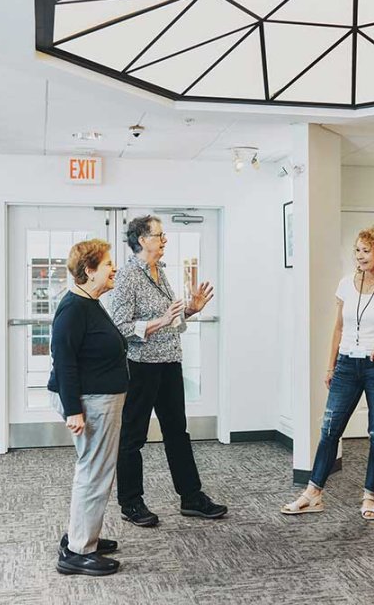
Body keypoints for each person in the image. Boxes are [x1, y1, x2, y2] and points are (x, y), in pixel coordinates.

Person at [281, 225, 374, 520]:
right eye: (357, 250)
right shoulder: (345, 283)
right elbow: (339, 327)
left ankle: (369, 496)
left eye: (367, 250)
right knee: (329, 430)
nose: (360, 256)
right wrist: (331, 365)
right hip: (346, 365)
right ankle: (312, 494)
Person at [111, 215, 226, 527]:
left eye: (163, 235)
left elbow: (172, 319)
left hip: (170, 363)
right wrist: (160, 322)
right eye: (159, 235)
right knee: (133, 437)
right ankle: (131, 502)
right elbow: (119, 327)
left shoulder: (160, 272)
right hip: (141, 367)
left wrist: (190, 309)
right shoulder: (127, 276)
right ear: (141, 239)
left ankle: (192, 497)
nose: (164, 240)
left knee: (177, 432)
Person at [47, 239, 129, 576]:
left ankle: (83, 536)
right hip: (89, 402)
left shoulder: (90, 302)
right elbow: (63, 361)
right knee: (94, 471)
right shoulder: (74, 308)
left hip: (98, 399)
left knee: (93, 469)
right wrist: (73, 411)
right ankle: (79, 551)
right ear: (90, 270)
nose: (114, 269)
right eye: (108, 263)